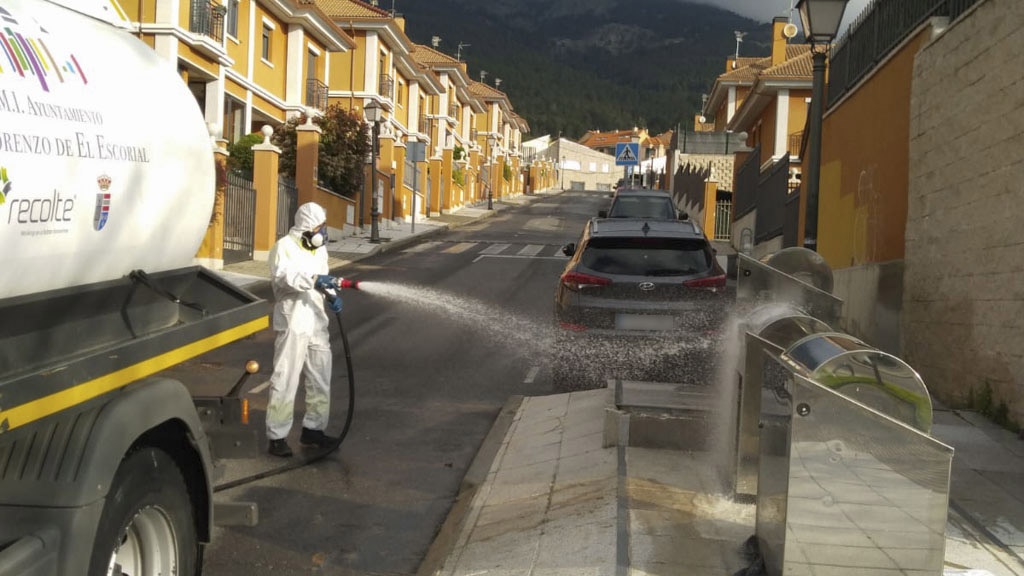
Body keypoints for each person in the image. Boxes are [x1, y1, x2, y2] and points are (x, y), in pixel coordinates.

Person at [265, 202, 343, 457]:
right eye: (321, 226)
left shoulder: (319, 252)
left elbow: (324, 277)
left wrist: (331, 293)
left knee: (320, 376)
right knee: (285, 377)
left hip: (316, 318)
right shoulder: (284, 247)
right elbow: (283, 278)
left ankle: (313, 430)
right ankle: (277, 436)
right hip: (294, 319)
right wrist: (313, 280)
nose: (324, 232)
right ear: (308, 226)